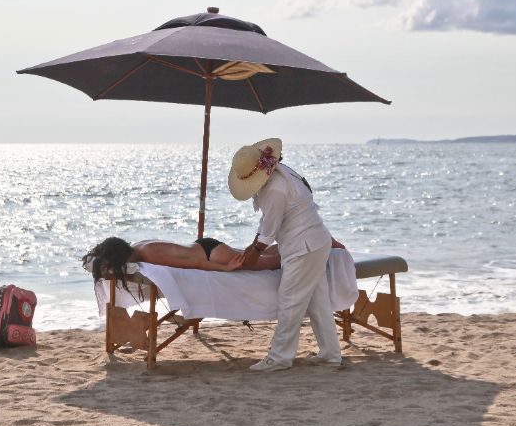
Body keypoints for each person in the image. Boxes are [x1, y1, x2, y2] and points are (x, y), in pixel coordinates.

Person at [229, 137, 342, 371]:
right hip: (313, 243)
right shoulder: (279, 173)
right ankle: (330, 354)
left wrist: (253, 253)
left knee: (289, 300)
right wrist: (252, 247)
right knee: (317, 301)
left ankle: (280, 357)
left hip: (304, 247)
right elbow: (266, 224)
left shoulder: (275, 188)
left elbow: (269, 229)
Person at [83, 236, 282, 289]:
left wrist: (225, 268)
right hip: (207, 248)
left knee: (271, 263)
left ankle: (302, 252)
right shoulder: (139, 248)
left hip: (210, 255)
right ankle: (290, 243)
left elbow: (194, 264)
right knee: (266, 256)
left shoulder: (148, 253)